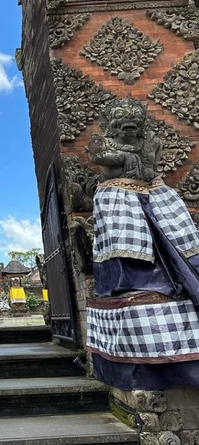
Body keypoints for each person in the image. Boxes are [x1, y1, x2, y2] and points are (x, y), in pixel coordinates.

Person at [85, 97, 199, 390]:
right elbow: (102, 157)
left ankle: (171, 277)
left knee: (172, 242)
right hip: (116, 199)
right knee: (125, 243)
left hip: (152, 197)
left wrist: (138, 163)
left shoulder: (150, 144)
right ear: (112, 126)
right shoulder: (103, 145)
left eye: (134, 123)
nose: (128, 127)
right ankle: (131, 279)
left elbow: (149, 171)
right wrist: (125, 158)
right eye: (122, 123)